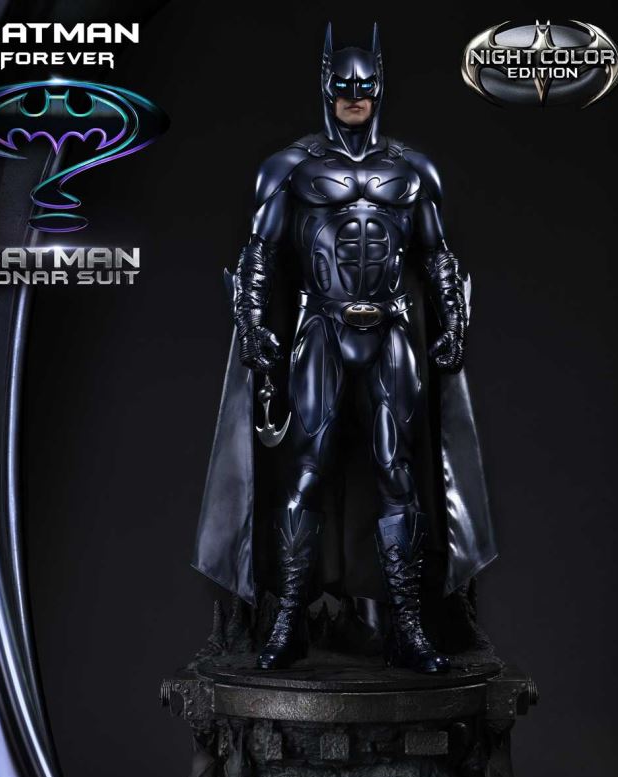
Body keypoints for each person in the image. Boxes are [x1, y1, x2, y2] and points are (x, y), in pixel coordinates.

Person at [192, 24, 497, 674]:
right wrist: (255, 328)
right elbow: (260, 257)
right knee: (305, 475)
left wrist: (453, 321)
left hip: (390, 334)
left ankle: (408, 627)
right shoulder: (291, 168)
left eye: (364, 85)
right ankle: (287, 624)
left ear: (380, 85)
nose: (354, 96)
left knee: (397, 475)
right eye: (343, 85)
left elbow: (437, 254)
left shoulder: (412, 170)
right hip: (322, 332)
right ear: (326, 86)